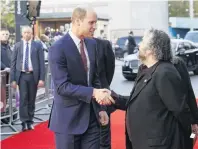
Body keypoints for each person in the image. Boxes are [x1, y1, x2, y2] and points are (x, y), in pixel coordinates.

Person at [101, 28, 191, 149]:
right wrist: (115, 98)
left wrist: (190, 136)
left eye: (142, 42)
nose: (139, 44)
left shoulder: (165, 72)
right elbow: (141, 101)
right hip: (142, 142)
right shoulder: (145, 69)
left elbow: (180, 110)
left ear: (151, 50)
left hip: (159, 144)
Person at [48, 7, 112, 149]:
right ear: (77, 21)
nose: (94, 27)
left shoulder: (92, 44)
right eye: (91, 23)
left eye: (95, 23)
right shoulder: (58, 48)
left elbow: (95, 79)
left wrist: (101, 108)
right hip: (67, 121)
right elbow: (62, 86)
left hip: (92, 119)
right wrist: (93, 93)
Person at [10, 26, 45, 131]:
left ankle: (30, 121)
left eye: (29, 32)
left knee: (31, 99)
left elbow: (41, 63)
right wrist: (13, 79)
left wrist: (42, 78)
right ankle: (24, 122)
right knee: (23, 99)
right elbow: (13, 63)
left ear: (32, 34)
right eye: (25, 32)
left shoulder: (37, 46)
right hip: (21, 76)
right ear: (22, 34)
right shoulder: (17, 46)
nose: (27, 34)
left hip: (33, 75)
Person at [94, 38, 115, 148]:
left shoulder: (103, 44)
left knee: (103, 136)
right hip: (82, 97)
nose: (93, 27)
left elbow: (110, 70)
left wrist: (103, 87)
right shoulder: (73, 46)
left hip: (102, 95)